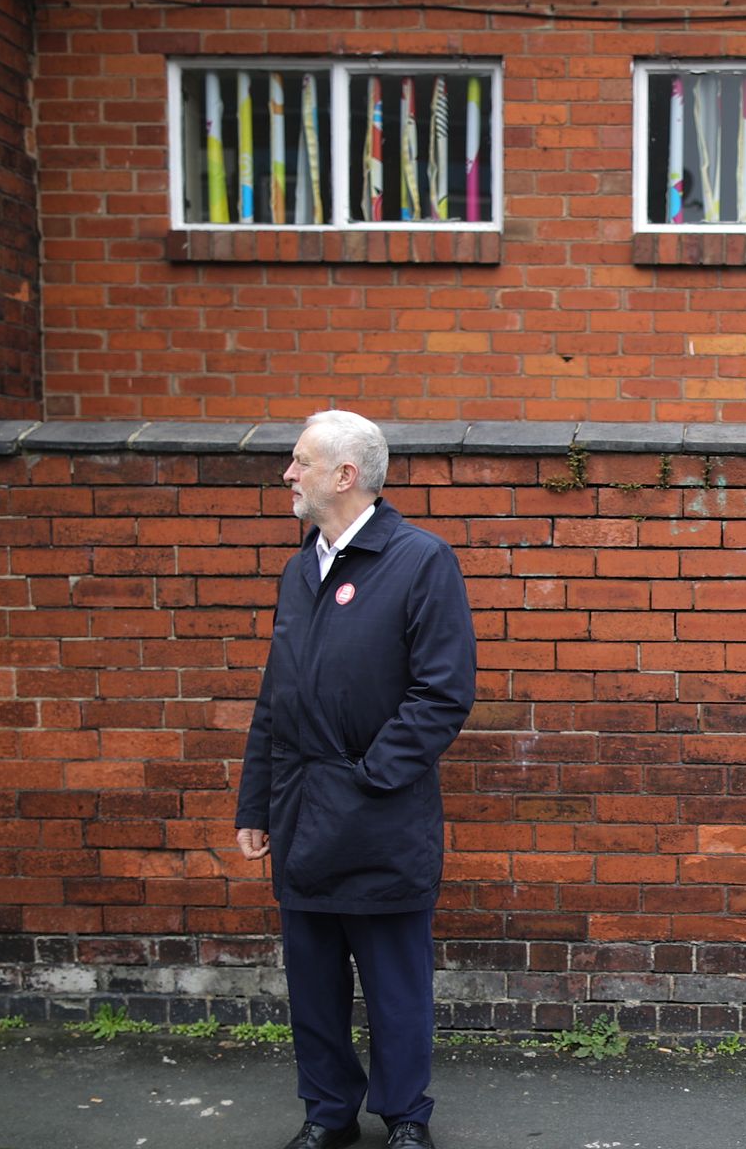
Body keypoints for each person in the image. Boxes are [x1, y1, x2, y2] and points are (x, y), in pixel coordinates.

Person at [235, 410, 477, 1149]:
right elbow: (276, 694)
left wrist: (370, 775)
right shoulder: (299, 567)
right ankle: (328, 1112)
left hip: (380, 817)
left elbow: (443, 692)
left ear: (345, 475)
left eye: (300, 462)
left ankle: (406, 1117)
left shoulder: (419, 560)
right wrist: (255, 801)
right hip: (303, 814)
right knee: (313, 986)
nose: (288, 475)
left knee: (396, 986)